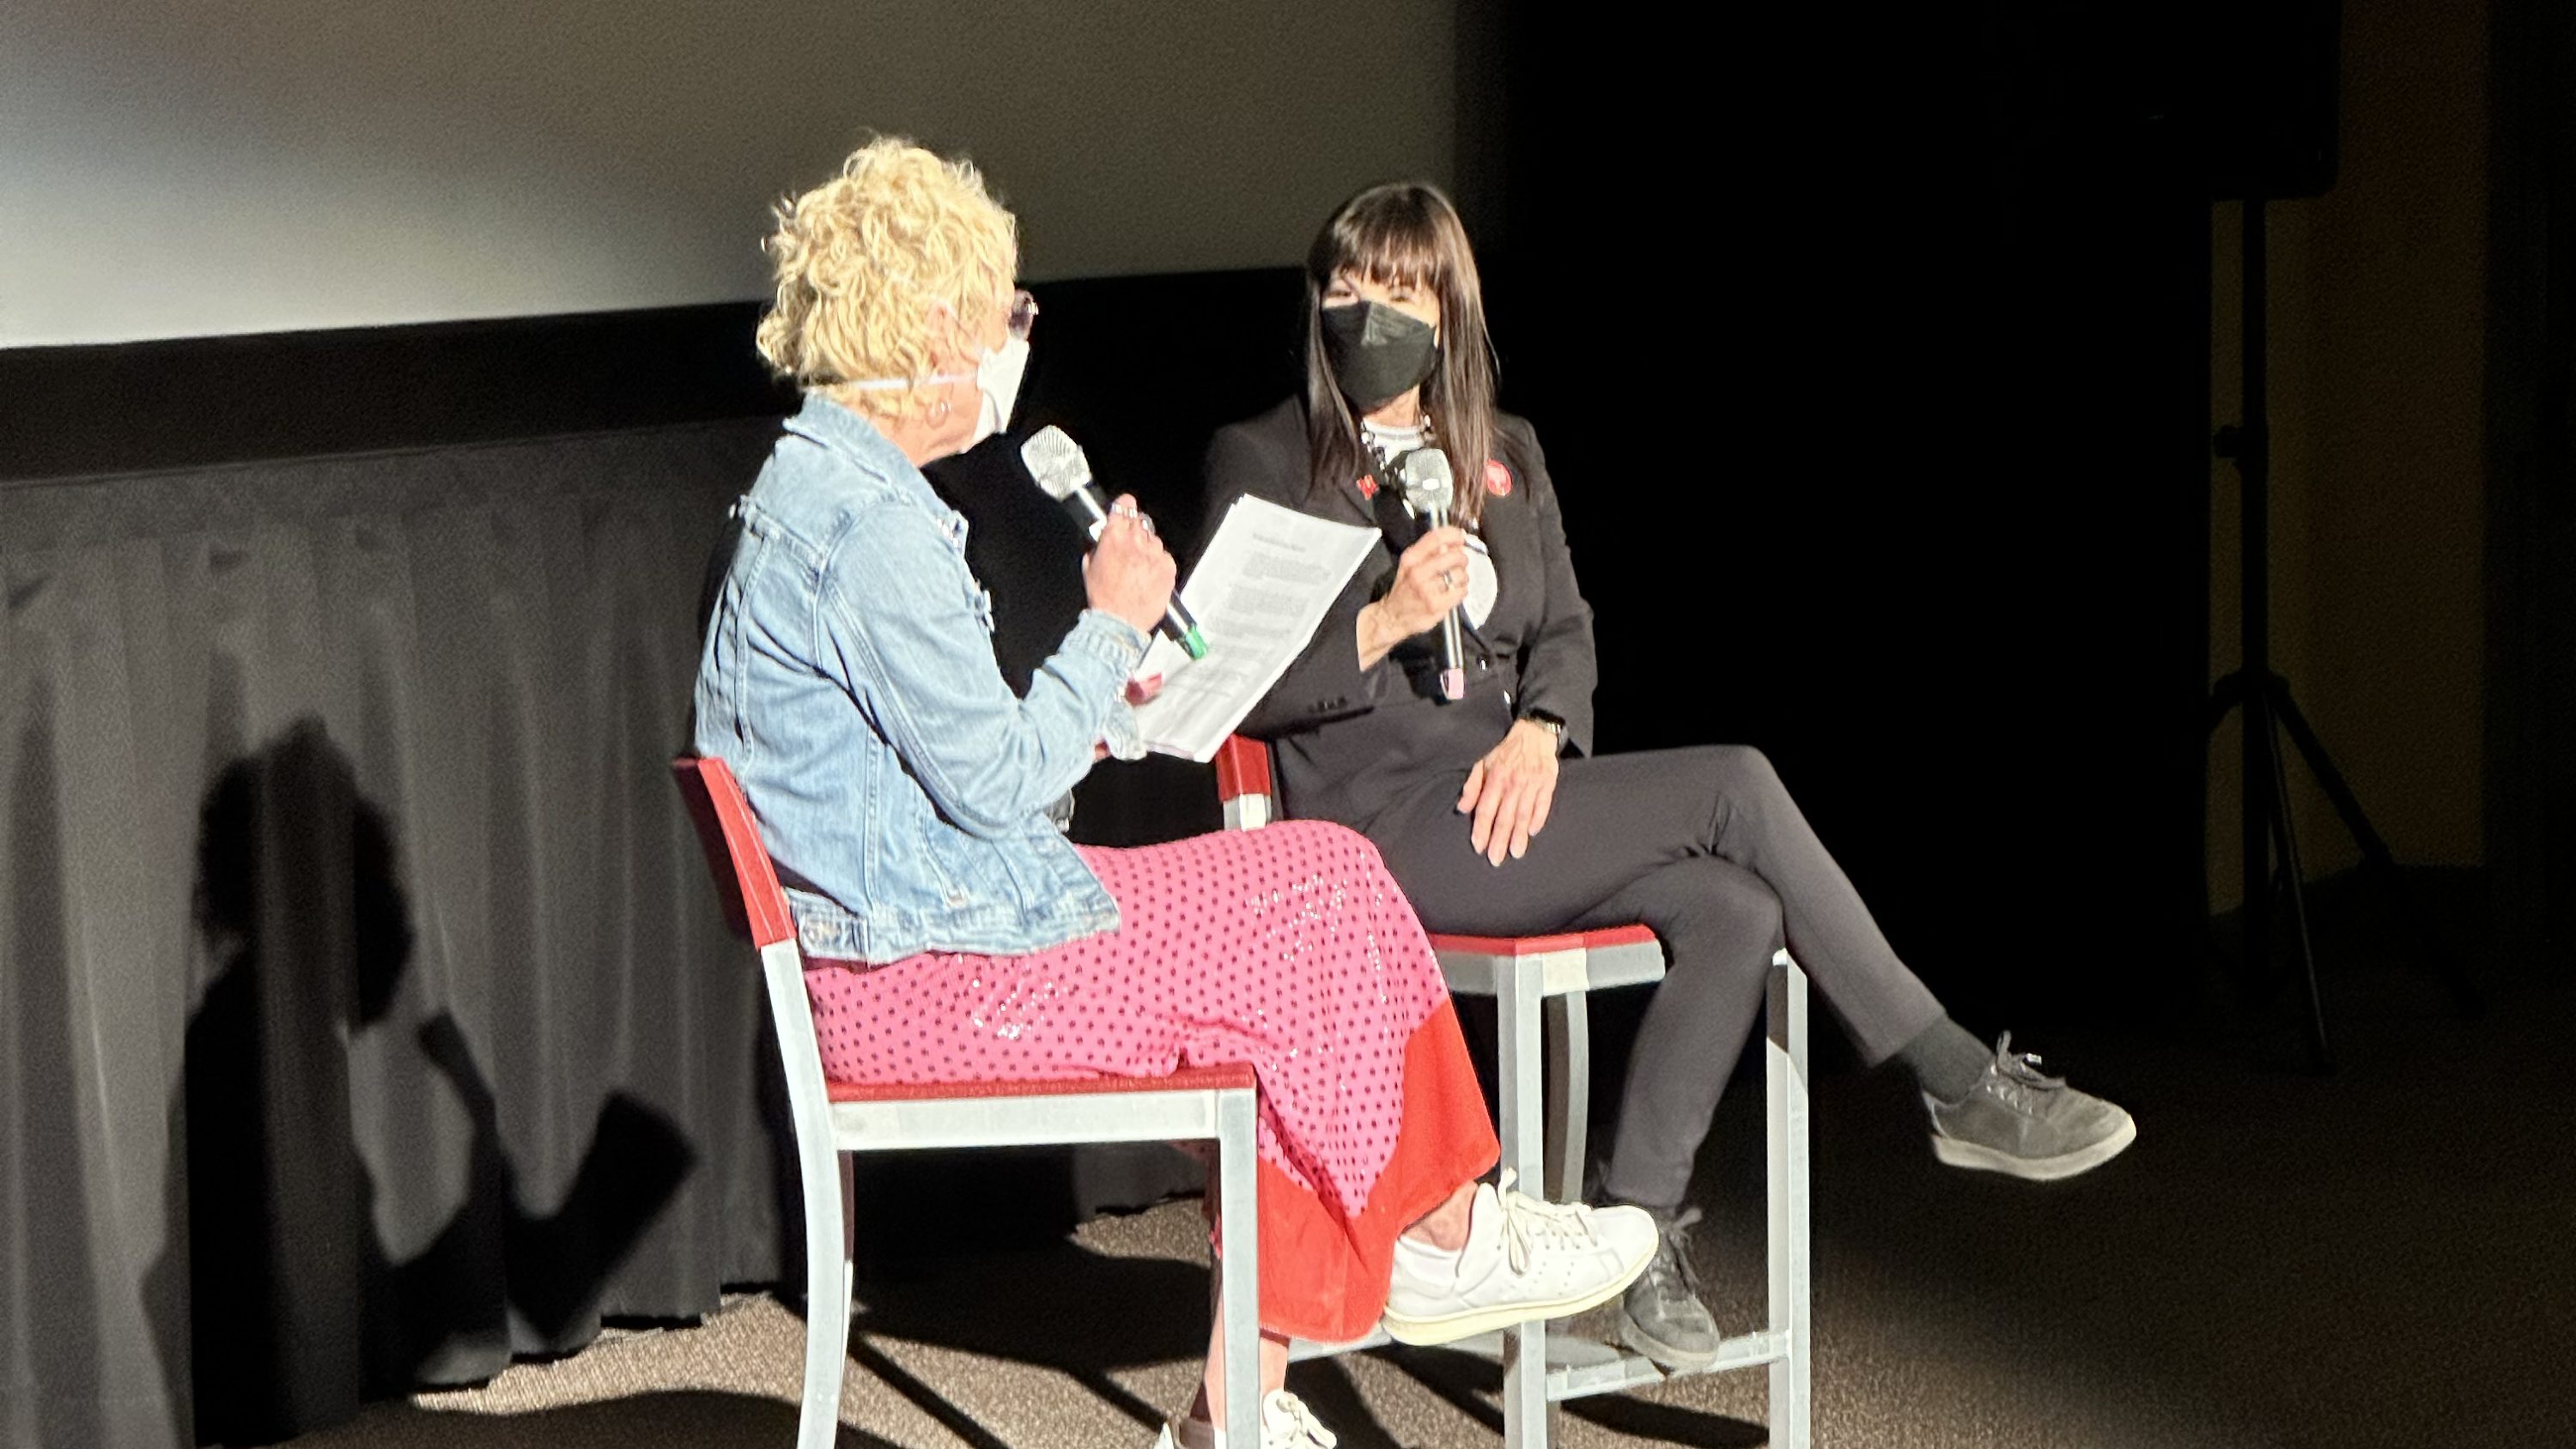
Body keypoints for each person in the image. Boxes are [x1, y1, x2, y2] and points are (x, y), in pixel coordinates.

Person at [691, 140, 1658, 1449]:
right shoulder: (863, 527)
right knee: (1309, 925)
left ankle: (1272, 1376)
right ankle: (1433, 1238)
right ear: (928, 328)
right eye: (1004, 313)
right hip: (927, 980)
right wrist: (1107, 625)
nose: (1019, 337)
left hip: (940, 924)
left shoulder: (824, 487)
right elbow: (995, 787)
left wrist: (1113, 702)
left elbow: (949, 769)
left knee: (1317, 880)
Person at [1200, 181, 2138, 1373]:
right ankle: (1952, 1076)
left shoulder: (1504, 453)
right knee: (1734, 783)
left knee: (1736, 907)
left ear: (1448, 313)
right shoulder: (1264, 458)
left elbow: (1567, 630)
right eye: (1346, 289)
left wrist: (1545, 730)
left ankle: (1640, 1235)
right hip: (1377, 835)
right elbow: (1230, 685)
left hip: (1511, 800)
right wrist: (1382, 623)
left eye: (1397, 293)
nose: (1366, 316)